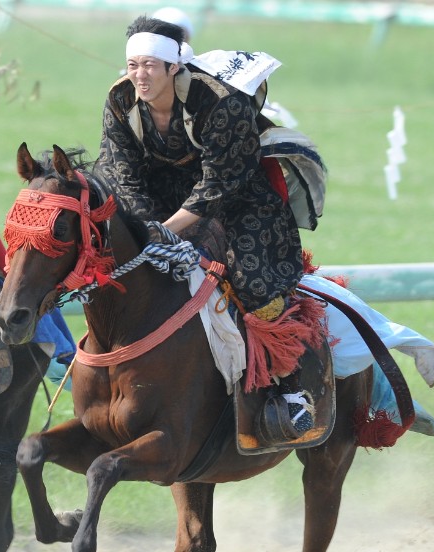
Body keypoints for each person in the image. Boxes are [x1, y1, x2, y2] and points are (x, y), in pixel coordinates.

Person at [96, 16, 323, 444]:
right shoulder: (119, 100)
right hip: (160, 200)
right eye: (132, 65)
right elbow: (119, 172)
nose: (139, 75)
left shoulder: (222, 102)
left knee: (251, 280)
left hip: (238, 200)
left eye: (149, 65)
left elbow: (222, 180)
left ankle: (289, 387)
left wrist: (167, 232)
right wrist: (146, 232)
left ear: (174, 67)